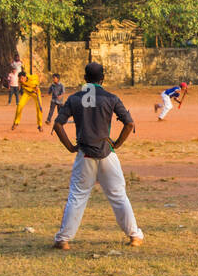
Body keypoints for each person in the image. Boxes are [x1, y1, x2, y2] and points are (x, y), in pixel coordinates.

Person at [52, 61, 143, 249]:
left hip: (84, 154)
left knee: (77, 196)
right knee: (118, 196)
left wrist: (70, 146)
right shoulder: (111, 98)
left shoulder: (75, 98)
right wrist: (116, 143)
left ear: (84, 78)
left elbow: (58, 124)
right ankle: (134, 236)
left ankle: (63, 240)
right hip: (107, 153)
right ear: (103, 78)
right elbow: (130, 124)